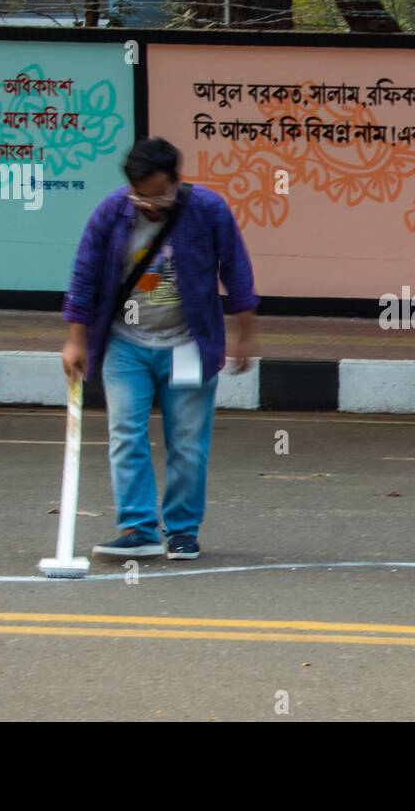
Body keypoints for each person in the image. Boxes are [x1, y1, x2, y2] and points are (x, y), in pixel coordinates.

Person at [61, 138, 259, 560]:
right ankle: (138, 528)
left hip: (187, 345)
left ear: (176, 179)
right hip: (124, 345)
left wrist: (244, 333)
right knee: (126, 434)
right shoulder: (112, 212)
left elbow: (237, 270)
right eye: (140, 196)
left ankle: (183, 531)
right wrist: (75, 340)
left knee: (187, 441)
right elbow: (84, 275)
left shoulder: (207, 209)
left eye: (159, 196)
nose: (150, 205)